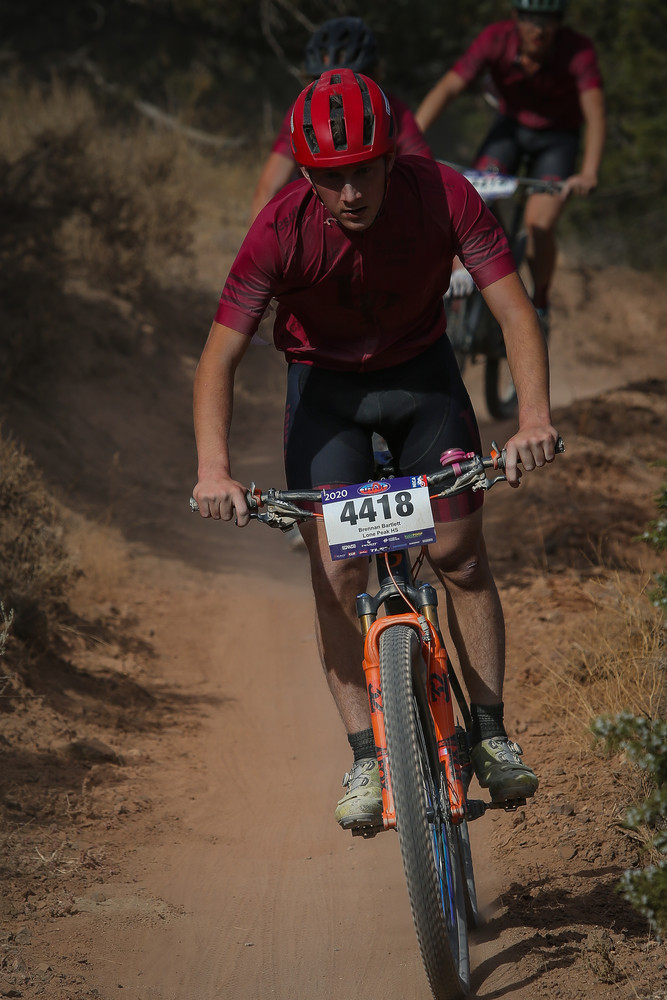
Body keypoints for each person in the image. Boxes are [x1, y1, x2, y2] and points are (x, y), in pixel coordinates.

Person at [193, 69, 559, 831]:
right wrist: (213, 471)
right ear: (305, 175)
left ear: (392, 158)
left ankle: (490, 733)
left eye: (363, 170)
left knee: (459, 556)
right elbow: (218, 358)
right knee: (336, 574)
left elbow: (514, 312)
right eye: (330, 177)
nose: (350, 192)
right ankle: (366, 752)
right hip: (324, 393)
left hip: (421, 380)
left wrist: (531, 420)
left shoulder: (445, 195)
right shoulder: (278, 229)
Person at [415, 0, 605, 332]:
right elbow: (449, 87)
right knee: (471, 198)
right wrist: (410, 140)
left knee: (539, 226)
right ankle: (474, 264)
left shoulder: (578, 50)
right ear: (516, 16)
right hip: (510, 130)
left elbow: (595, 113)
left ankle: (540, 303)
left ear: (560, 22)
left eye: (548, 20)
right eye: (531, 19)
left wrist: (589, 171)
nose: (539, 29)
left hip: (558, 139)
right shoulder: (495, 39)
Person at [249, 16, 432, 223]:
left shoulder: (393, 110)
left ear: (373, 75)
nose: (337, 93)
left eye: (351, 80)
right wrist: (262, 239)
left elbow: (426, 179)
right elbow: (268, 190)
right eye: (323, 80)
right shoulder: (302, 113)